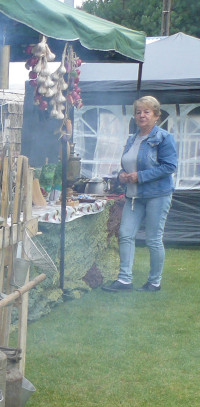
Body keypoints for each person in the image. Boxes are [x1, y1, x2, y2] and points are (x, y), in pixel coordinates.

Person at [102, 95, 177, 292]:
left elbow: (170, 166)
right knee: (125, 234)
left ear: (156, 115)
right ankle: (125, 280)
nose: (141, 115)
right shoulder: (132, 139)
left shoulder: (164, 138)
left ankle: (154, 282)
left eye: (146, 111)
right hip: (133, 196)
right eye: (138, 112)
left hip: (157, 195)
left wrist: (140, 176)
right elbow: (126, 164)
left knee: (153, 239)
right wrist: (122, 176)